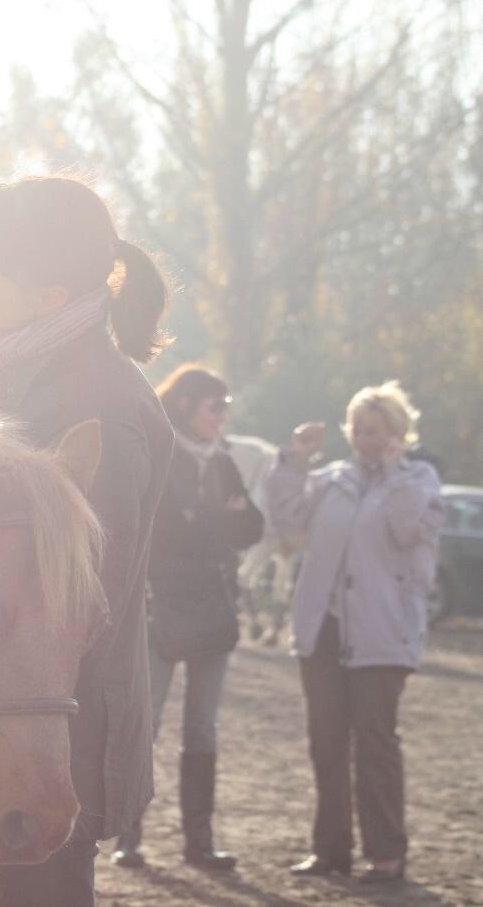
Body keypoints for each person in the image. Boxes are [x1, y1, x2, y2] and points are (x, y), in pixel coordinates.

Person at [0, 175, 174, 907]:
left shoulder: (96, 408)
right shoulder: (13, 373)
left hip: (41, 747)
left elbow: (77, 608)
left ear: (50, 297)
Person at [267, 381, 443, 884]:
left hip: (383, 634)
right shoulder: (330, 480)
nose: (366, 439)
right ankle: (330, 850)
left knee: (375, 744)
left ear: (398, 434)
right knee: (325, 743)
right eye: (361, 430)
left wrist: (392, 470)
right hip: (323, 629)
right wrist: (294, 462)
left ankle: (386, 854)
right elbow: (287, 523)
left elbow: (408, 529)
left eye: (379, 431)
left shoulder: (419, 479)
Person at [111, 365, 263, 871]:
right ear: (185, 406)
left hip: (213, 613)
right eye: (214, 405)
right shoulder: (163, 455)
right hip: (162, 611)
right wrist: (215, 518)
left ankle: (200, 842)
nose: (223, 415)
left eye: (226, 405)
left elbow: (250, 530)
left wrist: (208, 518)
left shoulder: (222, 463)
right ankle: (126, 836)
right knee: (145, 724)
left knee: (203, 729)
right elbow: (166, 530)